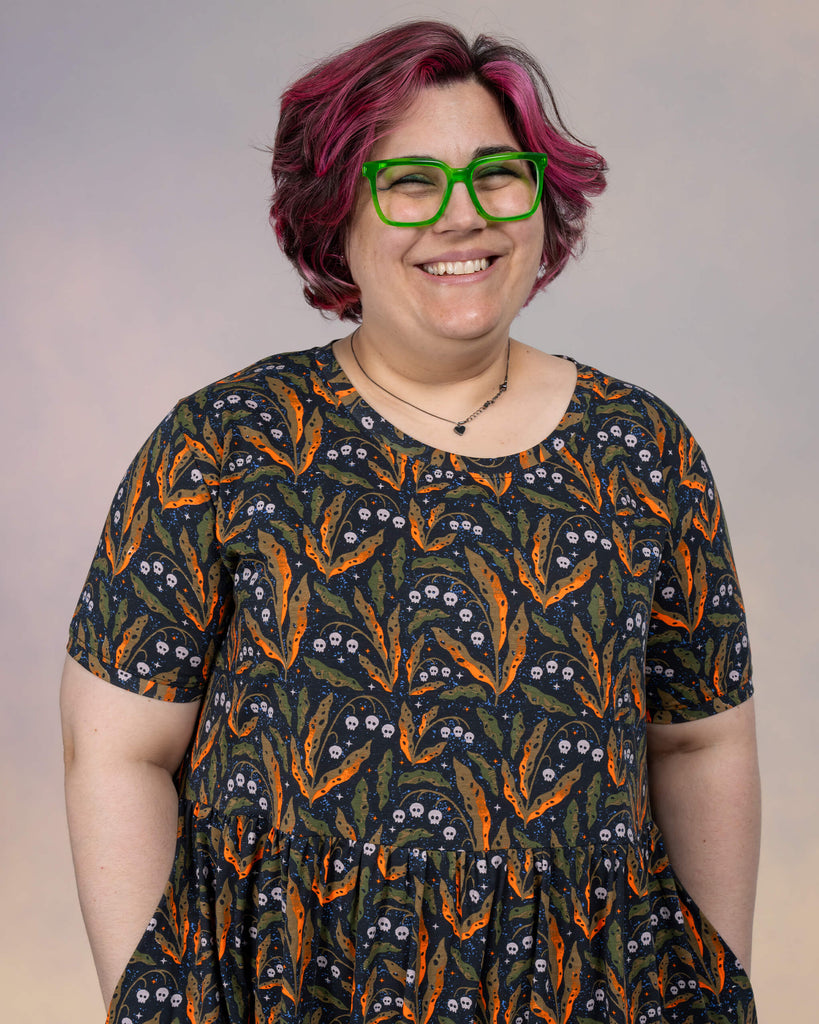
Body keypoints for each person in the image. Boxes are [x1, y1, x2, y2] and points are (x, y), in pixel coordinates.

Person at [61, 20, 760, 1024]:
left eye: (496, 176)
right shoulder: (223, 445)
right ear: (336, 214)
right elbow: (114, 749)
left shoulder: (644, 452)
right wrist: (159, 1004)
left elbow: (701, 744)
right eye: (410, 183)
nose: (461, 218)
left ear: (542, 199)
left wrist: (709, 985)